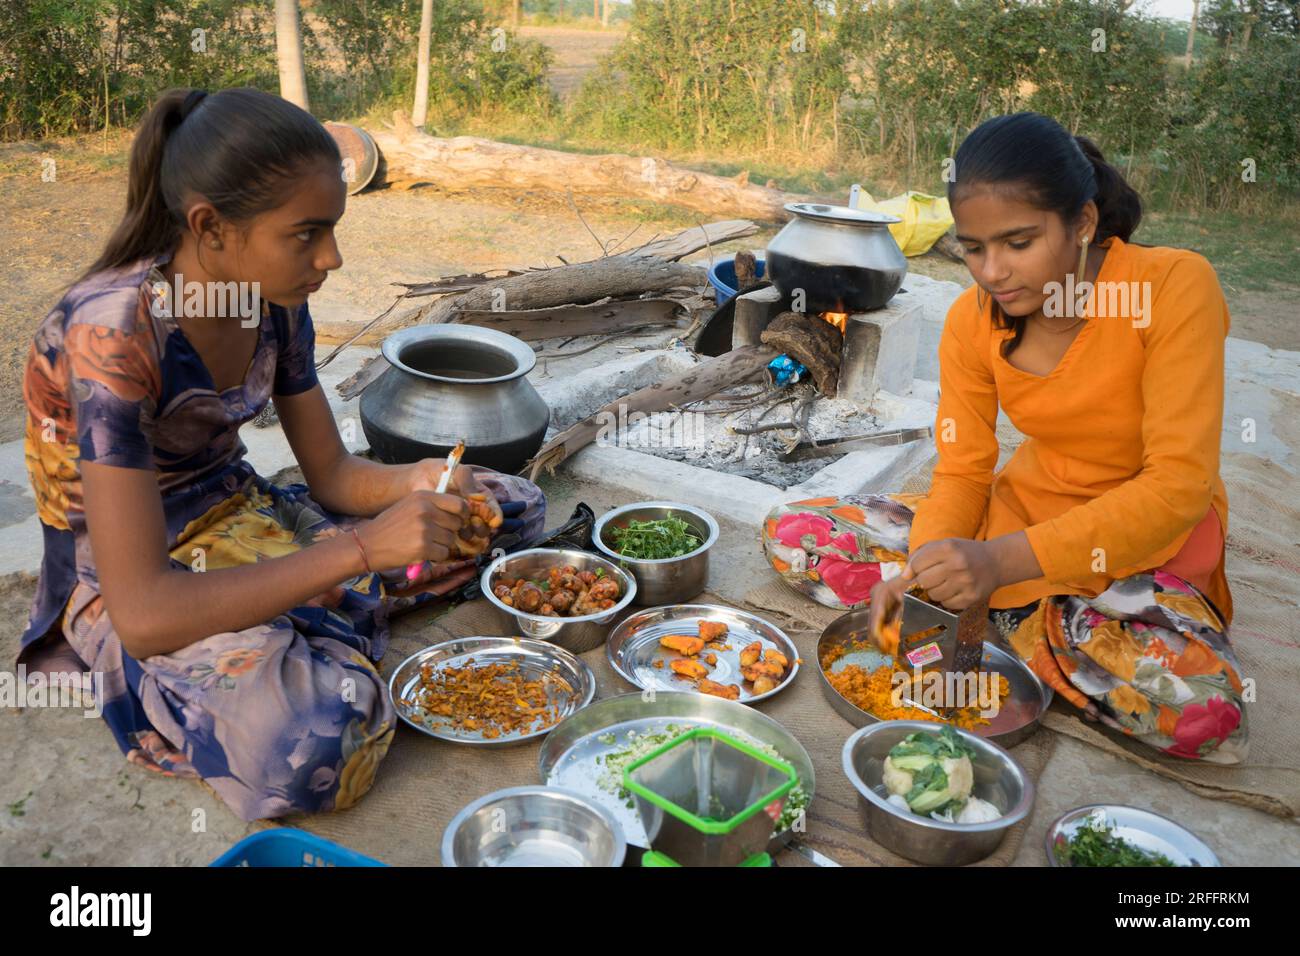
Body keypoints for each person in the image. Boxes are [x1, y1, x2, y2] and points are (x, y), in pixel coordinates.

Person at [18, 87, 547, 820]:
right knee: (318, 735)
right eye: (307, 233)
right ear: (211, 226)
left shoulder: (272, 301)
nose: (332, 257)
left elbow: (332, 475)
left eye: (332, 228)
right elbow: (142, 611)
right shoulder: (112, 337)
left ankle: (306, 615)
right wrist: (361, 551)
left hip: (242, 516)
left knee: (507, 507)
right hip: (135, 576)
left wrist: (420, 483)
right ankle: (306, 625)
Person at [762, 112, 1247, 763]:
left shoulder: (1171, 288)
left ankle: (1017, 616)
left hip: (1141, 549)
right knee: (795, 535)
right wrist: (929, 574)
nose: (992, 271)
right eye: (973, 247)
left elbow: (1176, 488)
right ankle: (1019, 624)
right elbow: (962, 473)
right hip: (1017, 519)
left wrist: (997, 567)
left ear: (1081, 223)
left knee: (1202, 714)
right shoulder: (971, 321)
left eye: (1018, 243)